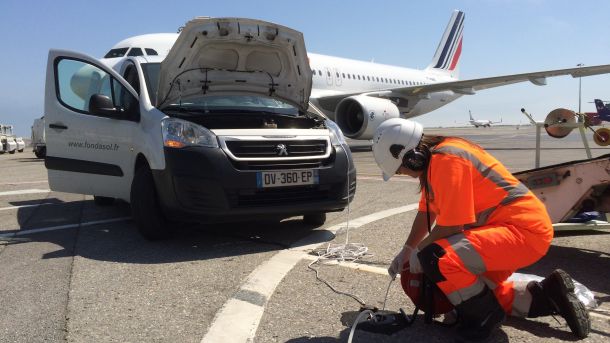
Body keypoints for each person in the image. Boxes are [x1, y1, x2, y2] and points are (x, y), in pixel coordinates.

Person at [372, 118, 591, 341]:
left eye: (401, 169)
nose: (405, 174)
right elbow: (426, 212)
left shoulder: (446, 160)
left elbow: (451, 225)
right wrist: (407, 248)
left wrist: (420, 251)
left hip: (521, 231)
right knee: (477, 294)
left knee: (437, 257)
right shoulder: (437, 160)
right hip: (508, 232)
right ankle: (549, 296)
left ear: (412, 157)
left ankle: (483, 319)